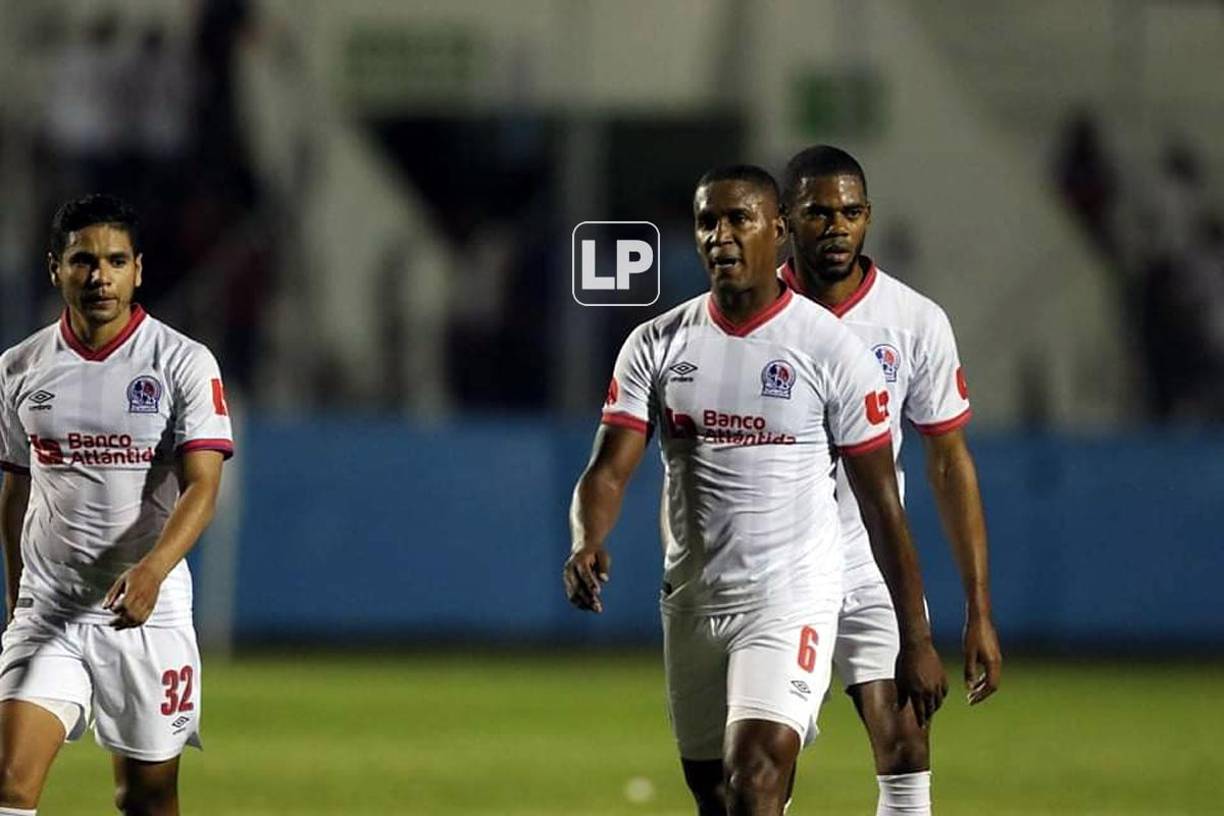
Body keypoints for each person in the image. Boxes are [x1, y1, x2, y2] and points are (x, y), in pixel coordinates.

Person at [563, 166, 946, 816]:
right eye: (708, 221)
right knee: (716, 797)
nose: (721, 236)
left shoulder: (830, 350)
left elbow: (883, 504)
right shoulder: (656, 344)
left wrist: (915, 636)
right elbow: (607, 469)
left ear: (777, 229)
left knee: (757, 775)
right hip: (691, 601)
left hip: (790, 597)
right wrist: (587, 538)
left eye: (738, 219)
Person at [779, 145, 1002, 815]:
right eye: (819, 212)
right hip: (778, 565)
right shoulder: (751, 317)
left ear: (868, 217)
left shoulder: (915, 322)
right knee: (765, 761)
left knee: (907, 742)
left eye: (850, 211)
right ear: (787, 218)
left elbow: (948, 463)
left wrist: (977, 611)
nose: (836, 226)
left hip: (871, 562)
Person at [0, 194, 233, 816]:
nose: (99, 276)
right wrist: (16, 591)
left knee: (147, 800)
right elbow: (17, 487)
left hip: (145, 614)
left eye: (114, 260)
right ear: (55, 268)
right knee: (9, 783)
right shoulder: (19, 368)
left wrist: (153, 571)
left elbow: (203, 486)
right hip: (48, 610)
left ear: (138, 269)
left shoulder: (181, 361)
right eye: (82, 260)